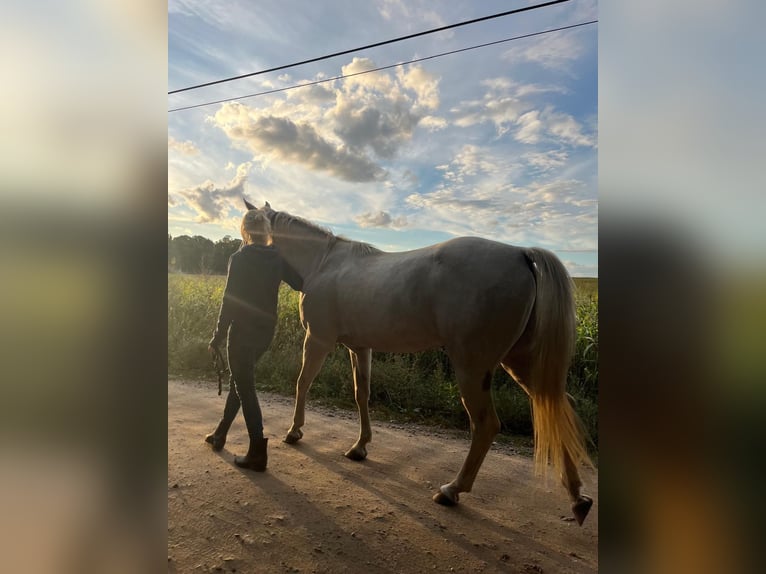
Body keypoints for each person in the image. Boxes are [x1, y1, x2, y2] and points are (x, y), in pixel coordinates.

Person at [205, 209, 302, 471]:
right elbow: (301, 283)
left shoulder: (239, 258)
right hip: (265, 333)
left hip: (241, 333)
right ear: (268, 231)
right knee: (240, 381)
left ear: (245, 230)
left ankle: (258, 452)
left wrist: (217, 336)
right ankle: (220, 434)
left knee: (245, 387)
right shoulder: (278, 257)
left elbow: (229, 301)